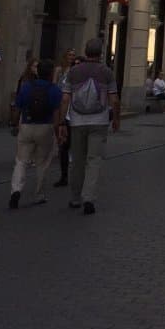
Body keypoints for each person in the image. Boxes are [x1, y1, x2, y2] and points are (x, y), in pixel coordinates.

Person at [56, 39, 120, 216]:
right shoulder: (106, 72)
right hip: (99, 122)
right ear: (100, 53)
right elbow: (114, 99)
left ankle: (75, 197)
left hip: (77, 121)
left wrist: (62, 122)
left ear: (85, 51)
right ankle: (89, 198)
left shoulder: (74, 72)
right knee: (94, 160)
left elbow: (65, 98)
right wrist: (115, 118)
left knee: (77, 160)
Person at [9, 59, 62, 210]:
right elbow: (57, 115)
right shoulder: (55, 90)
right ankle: (38, 194)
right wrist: (58, 132)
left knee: (21, 161)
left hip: (26, 125)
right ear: (51, 73)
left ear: (38, 71)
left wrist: (14, 124)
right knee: (42, 163)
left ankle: (16, 190)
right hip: (45, 127)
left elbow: (17, 108)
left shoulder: (26, 87)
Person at [52, 46, 76, 187]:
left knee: (66, 125)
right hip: (60, 99)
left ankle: (66, 148)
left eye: (73, 55)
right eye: (69, 55)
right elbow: (55, 84)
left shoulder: (75, 71)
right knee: (57, 125)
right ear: (65, 56)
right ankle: (60, 145)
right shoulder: (59, 69)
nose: (71, 57)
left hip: (69, 101)